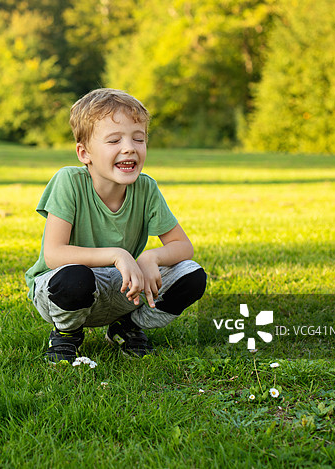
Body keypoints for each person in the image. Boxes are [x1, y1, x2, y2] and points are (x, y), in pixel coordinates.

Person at [24, 88, 206, 363]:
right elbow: (54, 254)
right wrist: (117, 254)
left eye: (138, 138)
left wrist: (150, 257)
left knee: (191, 276)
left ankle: (129, 327)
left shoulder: (146, 188)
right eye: (114, 140)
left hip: (124, 288)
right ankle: (66, 334)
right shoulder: (68, 182)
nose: (129, 147)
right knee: (74, 278)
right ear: (84, 153)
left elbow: (183, 247)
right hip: (65, 288)